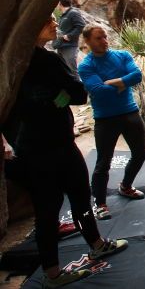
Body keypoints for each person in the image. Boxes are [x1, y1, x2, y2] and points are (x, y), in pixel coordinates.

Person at [7, 15, 127, 287]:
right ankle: (54, 273)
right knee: (53, 208)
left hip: (46, 143)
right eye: (45, 19)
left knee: (73, 199)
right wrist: (57, 99)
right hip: (43, 147)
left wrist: (56, 98)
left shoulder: (33, 57)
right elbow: (74, 91)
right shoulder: (39, 60)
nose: (52, 21)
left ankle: (93, 246)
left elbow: (74, 93)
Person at [78, 25, 145, 220]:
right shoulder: (86, 65)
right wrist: (122, 84)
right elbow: (97, 90)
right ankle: (100, 203)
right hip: (105, 118)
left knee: (140, 153)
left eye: (105, 37)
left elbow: (137, 76)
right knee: (103, 163)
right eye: (99, 38)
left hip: (129, 112)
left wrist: (112, 82)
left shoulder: (122, 55)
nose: (104, 41)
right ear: (88, 42)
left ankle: (125, 186)